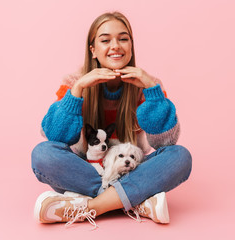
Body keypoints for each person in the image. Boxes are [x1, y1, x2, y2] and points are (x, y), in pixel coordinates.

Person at [31, 11, 192, 228]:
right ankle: (133, 201)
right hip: (88, 169)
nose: (115, 45)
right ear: (93, 50)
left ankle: (92, 206)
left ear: (131, 46)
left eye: (123, 39)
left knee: (180, 156)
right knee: (42, 154)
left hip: (130, 167)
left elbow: (165, 143)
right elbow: (55, 136)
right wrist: (77, 91)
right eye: (105, 40)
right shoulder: (74, 83)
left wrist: (151, 89)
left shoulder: (148, 86)